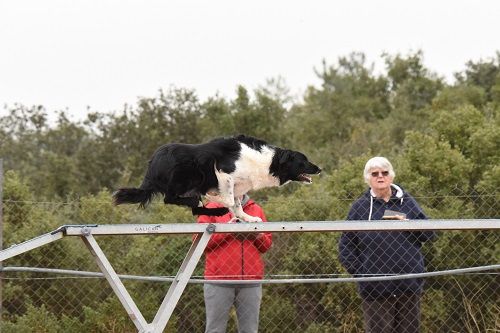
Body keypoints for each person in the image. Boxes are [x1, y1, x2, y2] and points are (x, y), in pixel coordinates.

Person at [339, 157, 436, 333]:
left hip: (408, 285)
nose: (380, 177)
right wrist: (363, 275)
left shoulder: (407, 202)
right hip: (375, 289)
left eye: (384, 173)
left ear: (391, 176)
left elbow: (429, 234)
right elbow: (346, 246)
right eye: (374, 174)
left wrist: (407, 222)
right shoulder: (359, 207)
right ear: (367, 179)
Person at [197, 194, 272, 333]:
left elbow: (266, 245)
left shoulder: (256, 209)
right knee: (215, 330)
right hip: (218, 280)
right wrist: (227, 230)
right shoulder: (209, 208)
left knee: (250, 330)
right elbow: (199, 242)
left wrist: (258, 235)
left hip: (250, 282)